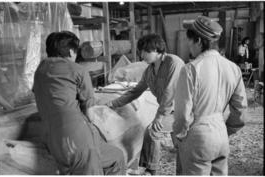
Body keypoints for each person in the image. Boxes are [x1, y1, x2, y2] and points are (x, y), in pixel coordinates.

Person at [33, 31, 126, 175]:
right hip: (76, 136)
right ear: (71, 51)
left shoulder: (40, 70)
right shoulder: (77, 70)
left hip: (52, 138)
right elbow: (90, 111)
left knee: (115, 156)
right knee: (105, 162)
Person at [172, 16, 247, 175]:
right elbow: (241, 111)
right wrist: (227, 130)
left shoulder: (190, 69)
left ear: (198, 40)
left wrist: (179, 135)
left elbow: (182, 115)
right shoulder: (233, 68)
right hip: (221, 133)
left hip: (198, 137)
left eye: (189, 41)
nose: (189, 46)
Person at [106, 33, 185, 175]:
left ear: (156, 50)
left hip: (183, 109)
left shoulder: (173, 62)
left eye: (145, 51)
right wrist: (113, 103)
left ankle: (150, 170)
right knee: (163, 132)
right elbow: (135, 91)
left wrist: (159, 117)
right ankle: (167, 154)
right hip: (169, 110)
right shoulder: (149, 71)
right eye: (141, 51)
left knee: (152, 132)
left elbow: (169, 92)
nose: (142, 55)